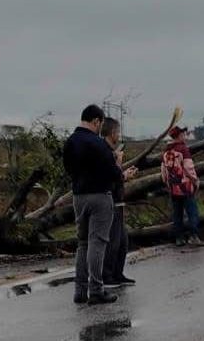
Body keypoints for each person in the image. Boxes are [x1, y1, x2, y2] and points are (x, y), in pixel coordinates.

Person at [63, 105, 129, 304]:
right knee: (97, 243)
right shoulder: (98, 144)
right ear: (96, 121)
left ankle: (80, 290)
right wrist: (121, 172)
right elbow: (112, 172)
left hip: (79, 196)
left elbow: (68, 169)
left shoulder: (70, 142)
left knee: (82, 243)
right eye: (100, 123)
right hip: (100, 196)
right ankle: (97, 289)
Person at [100, 117, 138, 287]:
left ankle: (118, 273)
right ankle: (107, 276)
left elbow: (115, 175)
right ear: (113, 132)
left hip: (118, 200)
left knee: (123, 241)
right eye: (118, 131)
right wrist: (121, 169)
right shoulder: (105, 152)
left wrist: (123, 173)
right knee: (113, 241)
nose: (119, 135)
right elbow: (109, 176)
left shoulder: (110, 151)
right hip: (111, 201)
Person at [161, 126, 203, 247]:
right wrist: (195, 181)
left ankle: (179, 238)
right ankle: (193, 236)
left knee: (177, 214)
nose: (185, 136)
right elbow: (189, 168)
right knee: (192, 212)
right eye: (183, 134)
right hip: (186, 187)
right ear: (179, 136)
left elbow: (163, 171)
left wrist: (167, 183)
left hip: (173, 188)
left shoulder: (166, 151)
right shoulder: (183, 150)